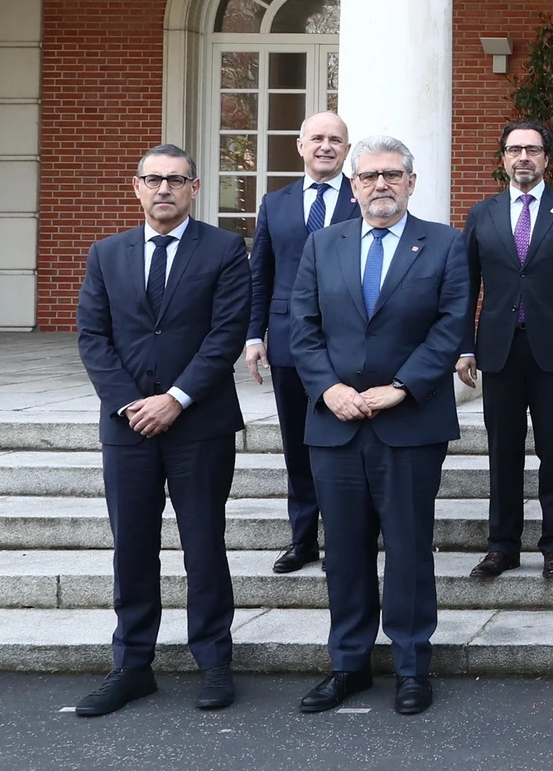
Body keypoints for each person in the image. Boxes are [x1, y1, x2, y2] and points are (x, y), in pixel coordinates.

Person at [290, 135, 469, 716]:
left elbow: (449, 327)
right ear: (354, 183)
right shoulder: (323, 244)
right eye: (368, 176)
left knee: (410, 548)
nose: (380, 185)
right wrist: (330, 388)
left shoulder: (444, 244)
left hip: (410, 422)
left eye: (392, 174)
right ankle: (349, 664)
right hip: (336, 423)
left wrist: (398, 389)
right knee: (343, 550)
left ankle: (413, 666)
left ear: (411, 183)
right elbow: (303, 325)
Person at [74, 145, 251, 716]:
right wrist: (132, 405)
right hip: (128, 428)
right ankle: (131, 666)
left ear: (195, 189)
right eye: (153, 179)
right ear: (136, 186)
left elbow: (226, 335)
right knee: (132, 547)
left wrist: (174, 399)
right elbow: (93, 339)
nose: (164, 189)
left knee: (203, 544)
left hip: (199, 422)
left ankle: (215, 663)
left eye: (176, 180)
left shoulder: (225, 250)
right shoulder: (106, 254)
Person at [456, 121, 553, 580]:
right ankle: (503, 546)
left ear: (546, 160)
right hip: (498, 350)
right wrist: (463, 347)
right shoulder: (482, 214)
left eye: (532, 150)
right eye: (515, 150)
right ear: (503, 159)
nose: (523, 158)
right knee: (504, 452)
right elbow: (465, 286)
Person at [244, 112, 358, 574]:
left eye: (335, 139)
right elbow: (260, 274)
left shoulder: (364, 193)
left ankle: (349, 539)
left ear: (347, 150)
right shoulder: (276, 203)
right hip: (290, 341)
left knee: (346, 443)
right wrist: (254, 334)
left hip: (349, 344)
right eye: (317, 138)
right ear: (300, 145)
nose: (325, 146)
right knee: (298, 444)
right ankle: (303, 539)